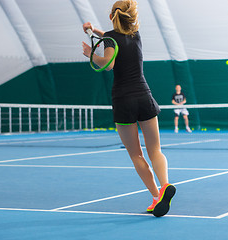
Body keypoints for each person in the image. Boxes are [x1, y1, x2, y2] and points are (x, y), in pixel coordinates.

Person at [82, 0, 175, 217]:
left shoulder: (110, 40)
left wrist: (90, 54)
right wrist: (94, 30)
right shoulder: (136, 35)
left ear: (112, 16)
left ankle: (155, 196)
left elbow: (107, 63)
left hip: (123, 100)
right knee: (155, 151)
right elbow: (115, 37)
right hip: (144, 96)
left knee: (136, 155)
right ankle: (164, 187)